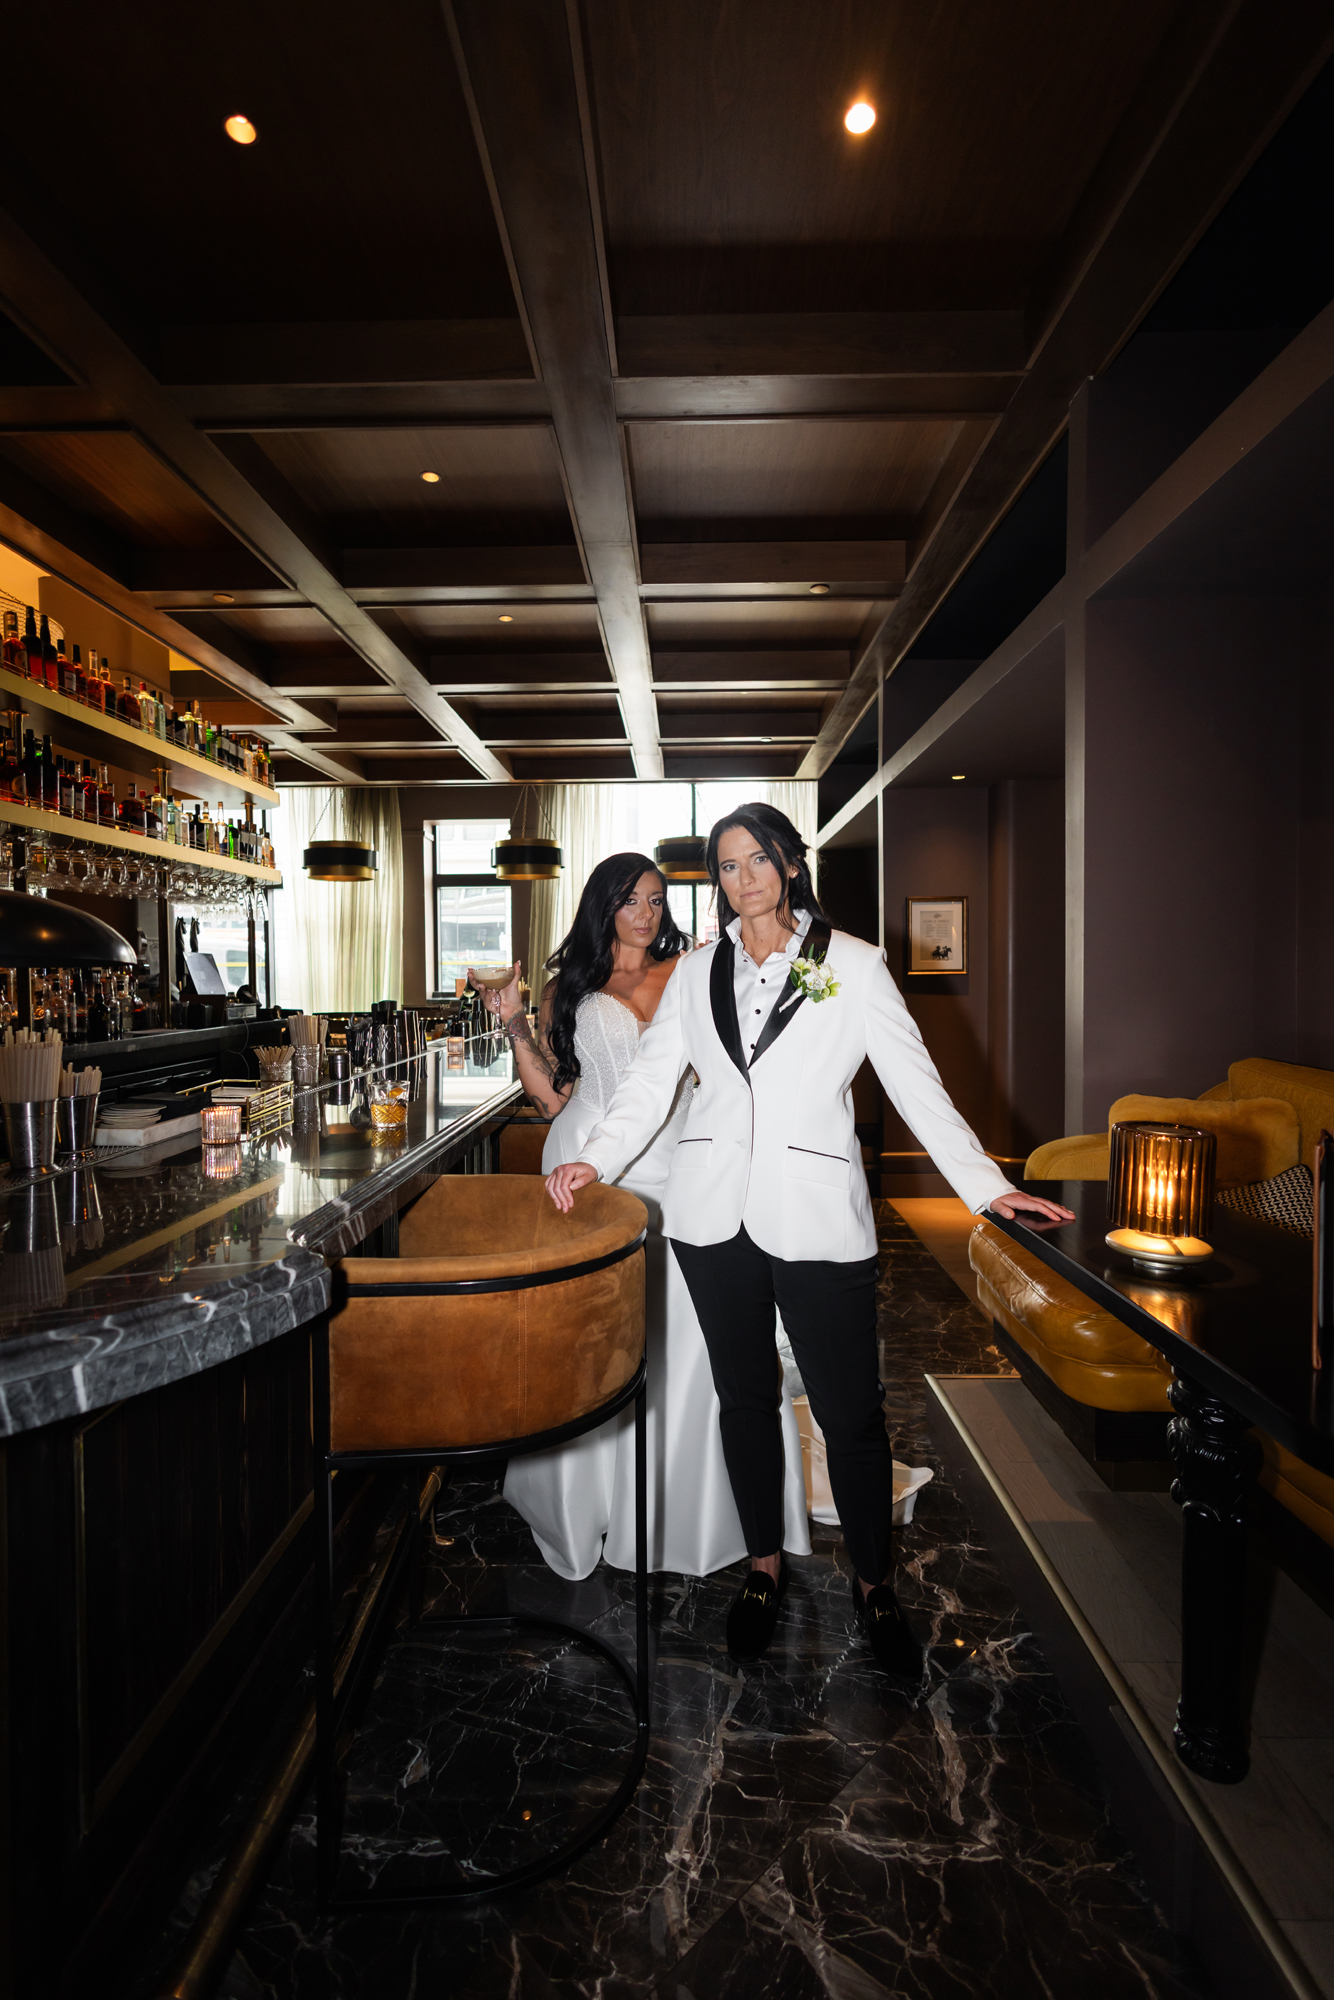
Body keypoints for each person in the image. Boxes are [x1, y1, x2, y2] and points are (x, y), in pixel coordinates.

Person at [547, 804, 1073, 1684]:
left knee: (850, 1413)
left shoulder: (855, 965)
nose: (743, 878)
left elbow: (916, 1085)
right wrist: (593, 1159)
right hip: (710, 1218)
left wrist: (987, 1188)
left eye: (758, 859)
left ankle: (875, 1585)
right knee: (745, 1402)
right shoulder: (694, 972)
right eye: (727, 866)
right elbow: (647, 1085)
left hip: (819, 1218)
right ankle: (763, 1569)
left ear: (790, 865)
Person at [471, 850, 810, 1581]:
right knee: (591, 1331)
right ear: (604, 905)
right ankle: (585, 1498)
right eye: (630, 900)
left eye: (656, 900)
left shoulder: (693, 970)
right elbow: (554, 1098)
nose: (646, 913)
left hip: (677, 1165)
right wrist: (515, 1025)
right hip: (585, 1158)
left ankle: (693, 1504)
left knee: (688, 1329)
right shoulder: (569, 988)